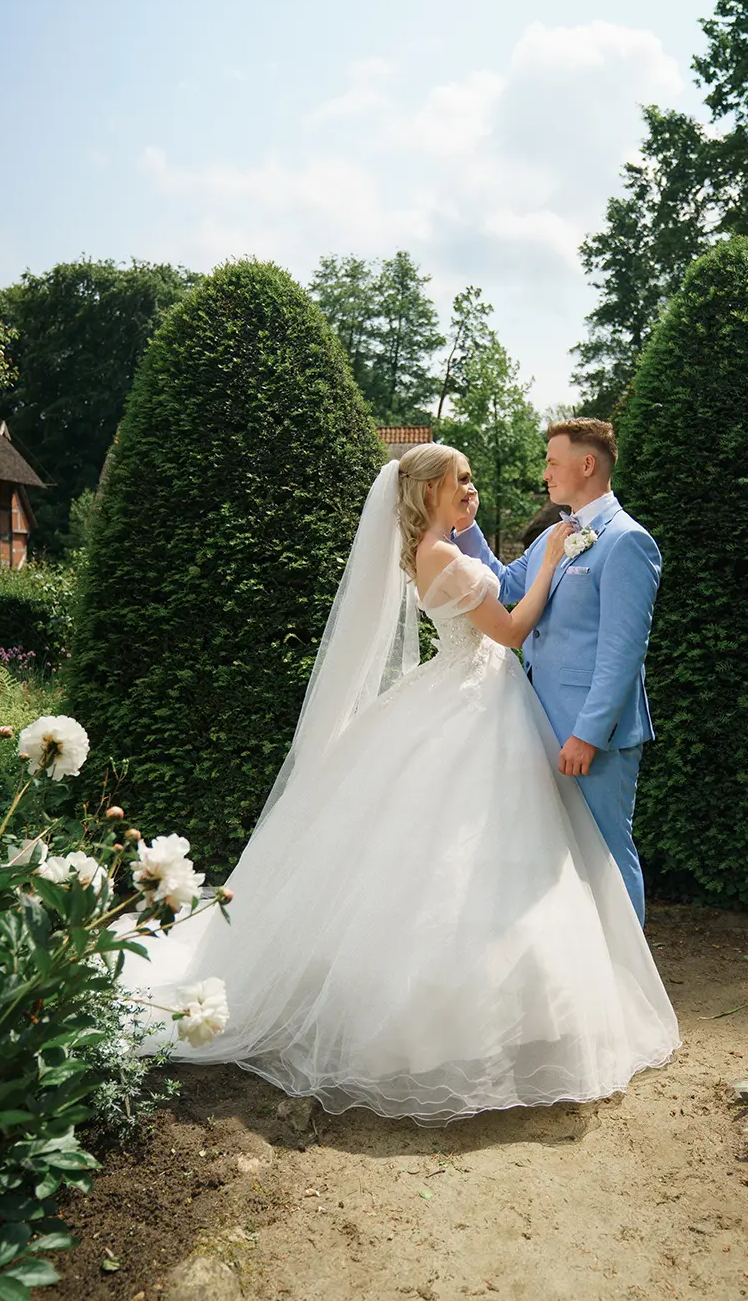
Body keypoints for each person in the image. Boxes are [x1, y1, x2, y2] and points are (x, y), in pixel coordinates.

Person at [124, 445, 678, 1125]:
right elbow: (508, 628)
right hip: (482, 701)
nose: (472, 487)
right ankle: (478, 1016)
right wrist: (549, 565)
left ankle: (584, 992)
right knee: (476, 859)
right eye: (462, 480)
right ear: (431, 488)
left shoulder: (442, 547)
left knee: (517, 855)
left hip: (482, 697)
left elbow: (497, 585)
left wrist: (480, 532)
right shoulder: (443, 556)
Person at [453, 419, 659, 926]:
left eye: (551, 462)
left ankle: (629, 969)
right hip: (538, 722)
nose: (544, 472)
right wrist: (466, 528)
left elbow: (622, 652)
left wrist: (588, 734)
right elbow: (504, 587)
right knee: (554, 860)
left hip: (591, 735)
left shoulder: (628, 541)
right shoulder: (554, 533)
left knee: (606, 853)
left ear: (586, 464)